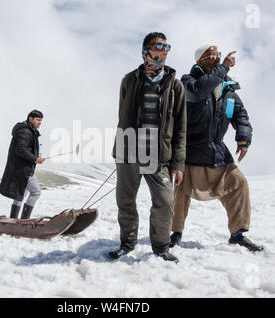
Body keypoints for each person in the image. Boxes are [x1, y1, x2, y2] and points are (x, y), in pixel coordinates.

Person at [170, 45, 263, 252]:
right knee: (179, 193)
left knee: (239, 183)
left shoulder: (228, 89)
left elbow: (241, 116)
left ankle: (237, 235)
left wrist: (243, 138)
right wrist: (223, 68)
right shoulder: (187, 81)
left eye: (218, 56)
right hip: (189, 151)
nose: (216, 58)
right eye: (210, 56)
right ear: (199, 61)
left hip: (216, 152)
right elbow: (197, 92)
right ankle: (175, 234)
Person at [109, 32, 187, 263]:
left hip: (159, 156)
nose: (162, 51)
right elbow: (122, 115)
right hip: (129, 152)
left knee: (164, 202)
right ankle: (127, 243)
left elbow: (181, 127)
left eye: (166, 47)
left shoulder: (175, 86)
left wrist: (178, 163)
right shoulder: (129, 80)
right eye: (158, 46)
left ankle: (161, 247)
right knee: (125, 200)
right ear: (145, 51)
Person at [0, 110, 45, 219]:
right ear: (30, 118)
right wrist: (35, 159)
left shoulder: (28, 130)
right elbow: (20, 150)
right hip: (23, 169)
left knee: (21, 193)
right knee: (36, 192)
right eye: (37, 120)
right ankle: (24, 221)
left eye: (41, 121)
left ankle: (14, 220)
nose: (40, 123)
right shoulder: (25, 131)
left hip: (21, 168)